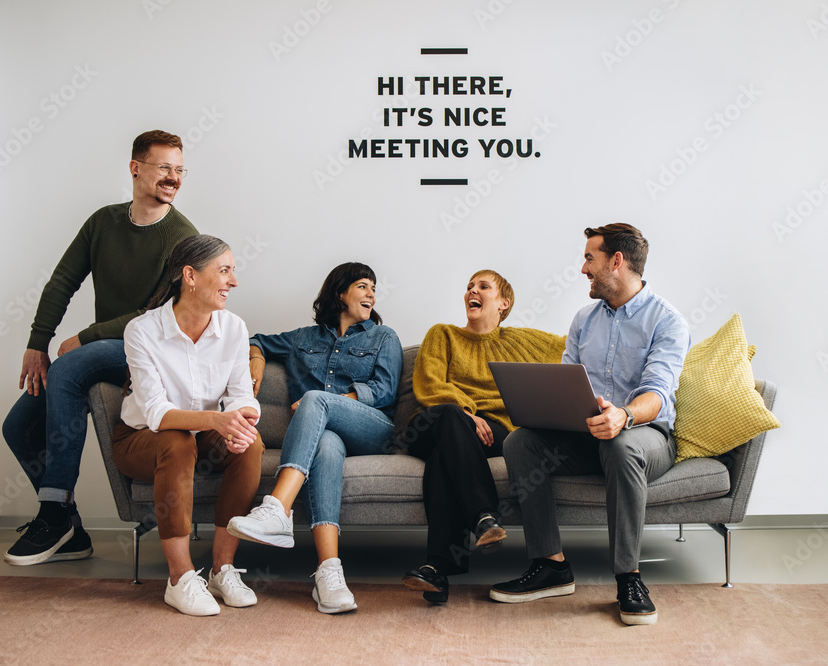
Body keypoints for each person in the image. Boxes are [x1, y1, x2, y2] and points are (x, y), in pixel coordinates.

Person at [2, 130, 197, 566]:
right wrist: (39, 342)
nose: (173, 177)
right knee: (17, 426)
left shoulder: (182, 237)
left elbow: (161, 313)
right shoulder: (102, 222)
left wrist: (86, 337)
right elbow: (61, 283)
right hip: (110, 346)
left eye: (180, 170)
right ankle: (70, 528)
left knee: (70, 367)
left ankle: (52, 513)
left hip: (152, 352)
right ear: (135, 168)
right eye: (164, 167)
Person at [490, 224, 690, 626]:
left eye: (589, 258)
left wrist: (625, 415)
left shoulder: (668, 321)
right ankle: (551, 565)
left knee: (621, 445)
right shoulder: (584, 318)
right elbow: (567, 382)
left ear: (616, 261)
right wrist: (549, 410)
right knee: (520, 442)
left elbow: (657, 393)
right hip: (586, 434)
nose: (583, 268)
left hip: (645, 436)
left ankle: (628, 577)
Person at [226, 262, 403, 614]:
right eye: (363, 286)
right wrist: (257, 360)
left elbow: (384, 391)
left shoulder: (383, 337)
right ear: (341, 293)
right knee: (325, 445)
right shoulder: (304, 338)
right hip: (325, 434)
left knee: (314, 399)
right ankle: (329, 573)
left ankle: (277, 507)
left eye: (373, 288)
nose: (371, 294)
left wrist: (325, 402)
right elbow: (255, 340)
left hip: (371, 429)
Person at [112, 234, 264, 616]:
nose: (234, 281)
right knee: (177, 441)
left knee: (252, 445)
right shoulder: (142, 331)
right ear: (190, 276)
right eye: (224, 271)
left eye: (233, 271)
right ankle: (179, 579)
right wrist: (216, 419)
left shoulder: (233, 328)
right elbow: (157, 414)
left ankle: (221, 569)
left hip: (199, 434)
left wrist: (243, 420)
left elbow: (242, 393)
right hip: (141, 439)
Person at [400, 270, 565, 604]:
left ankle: (437, 570)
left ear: (503, 303)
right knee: (450, 419)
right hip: (434, 423)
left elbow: (572, 345)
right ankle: (483, 516)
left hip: (493, 432)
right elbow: (429, 384)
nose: (472, 291)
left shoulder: (521, 341)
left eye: (483, 287)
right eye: (469, 287)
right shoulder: (442, 334)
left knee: (443, 461)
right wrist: (466, 412)